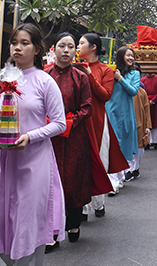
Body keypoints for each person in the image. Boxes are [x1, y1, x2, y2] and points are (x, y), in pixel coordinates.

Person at [0, 23, 66, 266]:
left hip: (33, 160)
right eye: (13, 42)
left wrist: (29, 137)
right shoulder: (1, 80)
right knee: (2, 215)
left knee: (28, 219)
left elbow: (59, 123)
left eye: (25, 43)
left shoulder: (45, 82)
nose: (17, 48)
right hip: (3, 158)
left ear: (37, 49)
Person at [47, 32, 110, 243]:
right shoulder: (45, 75)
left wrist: (68, 123)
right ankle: (52, 231)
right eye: (62, 46)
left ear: (75, 51)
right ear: (53, 48)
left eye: (71, 46)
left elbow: (87, 107)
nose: (66, 50)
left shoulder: (81, 76)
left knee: (74, 179)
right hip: (48, 136)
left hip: (74, 135)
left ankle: (73, 224)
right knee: (50, 180)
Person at [78, 33, 128, 218]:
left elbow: (105, 95)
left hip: (97, 119)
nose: (77, 46)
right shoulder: (73, 68)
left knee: (98, 159)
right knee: (79, 162)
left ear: (93, 48)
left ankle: (98, 202)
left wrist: (90, 76)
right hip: (76, 119)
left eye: (81, 43)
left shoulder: (106, 70)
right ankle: (81, 206)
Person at [105, 46, 140, 191]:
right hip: (111, 110)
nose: (131, 58)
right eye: (128, 55)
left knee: (124, 143)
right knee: (113, 143)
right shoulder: (110, 71)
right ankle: (114, 179)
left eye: (132, 56)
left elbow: (133, 91)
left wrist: (120, 79)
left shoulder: (135, 74)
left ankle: (119, 177)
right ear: (120, 57)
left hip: (126, 112)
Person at [129, 63, 151, 180]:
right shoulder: (123, 88)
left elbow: (146, 108)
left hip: (140, 122)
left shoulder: (142, 92)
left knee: (139, 147)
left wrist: (148, 125)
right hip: (126, 122)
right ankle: (128, 169)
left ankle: (135, 168)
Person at [141, 70, 157, 149]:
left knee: (156, 121)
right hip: (145, 102)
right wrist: (146, 101)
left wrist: (153, 100)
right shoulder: (143, 80)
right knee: (146, 120)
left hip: (155, 102)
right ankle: (147, 141)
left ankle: (155, 141)